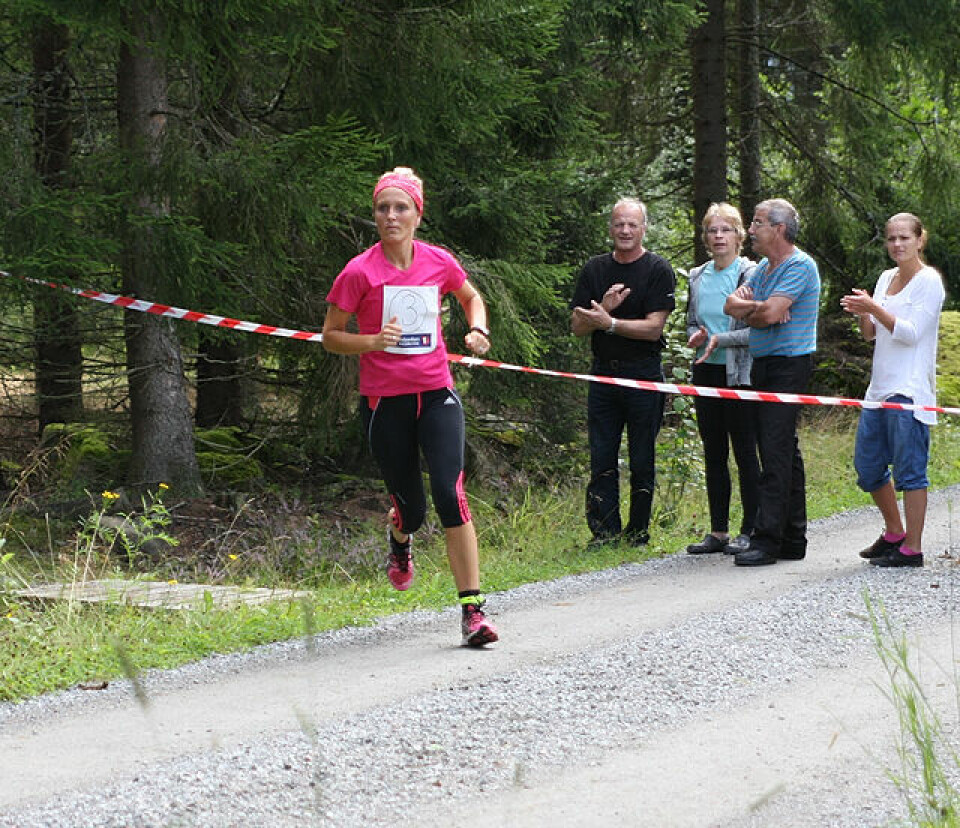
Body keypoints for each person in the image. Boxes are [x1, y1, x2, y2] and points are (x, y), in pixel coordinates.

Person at [322, 166, 498, 646]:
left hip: (437, 392)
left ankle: (473, 612)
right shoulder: (359, 271)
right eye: (383, 208)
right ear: (375, 216)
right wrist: (373, 340)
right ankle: (400, 541)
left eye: (401, 207)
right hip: (385, 403)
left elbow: (471, 297)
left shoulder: (438, 261)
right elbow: (330, 337)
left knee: (450, 492)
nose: (391, 216)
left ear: (418, 214)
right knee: (413, 511)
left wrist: (477, 328)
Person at [839, 213, 945, 568]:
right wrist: (863, 311)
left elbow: (911, 332)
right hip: (879, 390)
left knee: (911, 471)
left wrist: (874, 308)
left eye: (904, 238)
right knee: (867, 467)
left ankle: (912, 548)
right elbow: (871, 334)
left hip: (910, 391)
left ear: (919, 240)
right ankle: (894, 532)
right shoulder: (886, 277)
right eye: (891, 239)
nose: (897, 245)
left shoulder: (929, 282)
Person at [570, 198, 676, 545]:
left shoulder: (658, 269)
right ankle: (604, 533)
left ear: (644, 228)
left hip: (643, 373)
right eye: (619, 224)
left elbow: (654, 329)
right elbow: (577, 327)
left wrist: (610, 322)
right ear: (611, 228)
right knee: (601, 455)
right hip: (602, 374)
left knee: (642, 456)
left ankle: (639, 532)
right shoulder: (594, 269)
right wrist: (601, 310)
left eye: (632, 224)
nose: (625, 231)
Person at [723, 198, 820, 566]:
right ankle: (793, 537)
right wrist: (753, 308)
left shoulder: (800, 265)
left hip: (789, 365)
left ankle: (766, 540)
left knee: (775, 451)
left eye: (758, 223)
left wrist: (757, 309)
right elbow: (734, 309)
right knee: (783, 449)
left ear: (779, 229)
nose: (750, 230)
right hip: (763, 364)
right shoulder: (764, 268)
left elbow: (769, 313)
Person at [684, 203, 760, 555]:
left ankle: (751, 527)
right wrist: (697, 335)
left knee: (745, 451)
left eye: (725, 230)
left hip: (739, 372)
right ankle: (718, 531)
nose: (718, 236)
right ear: (705, 237)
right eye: (712, 231)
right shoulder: (698, 276)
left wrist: (721, 339)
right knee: (713, 450)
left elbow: (756, 331)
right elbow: (691, 321)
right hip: (706, 369)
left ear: (739, 236)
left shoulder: (751, 274)